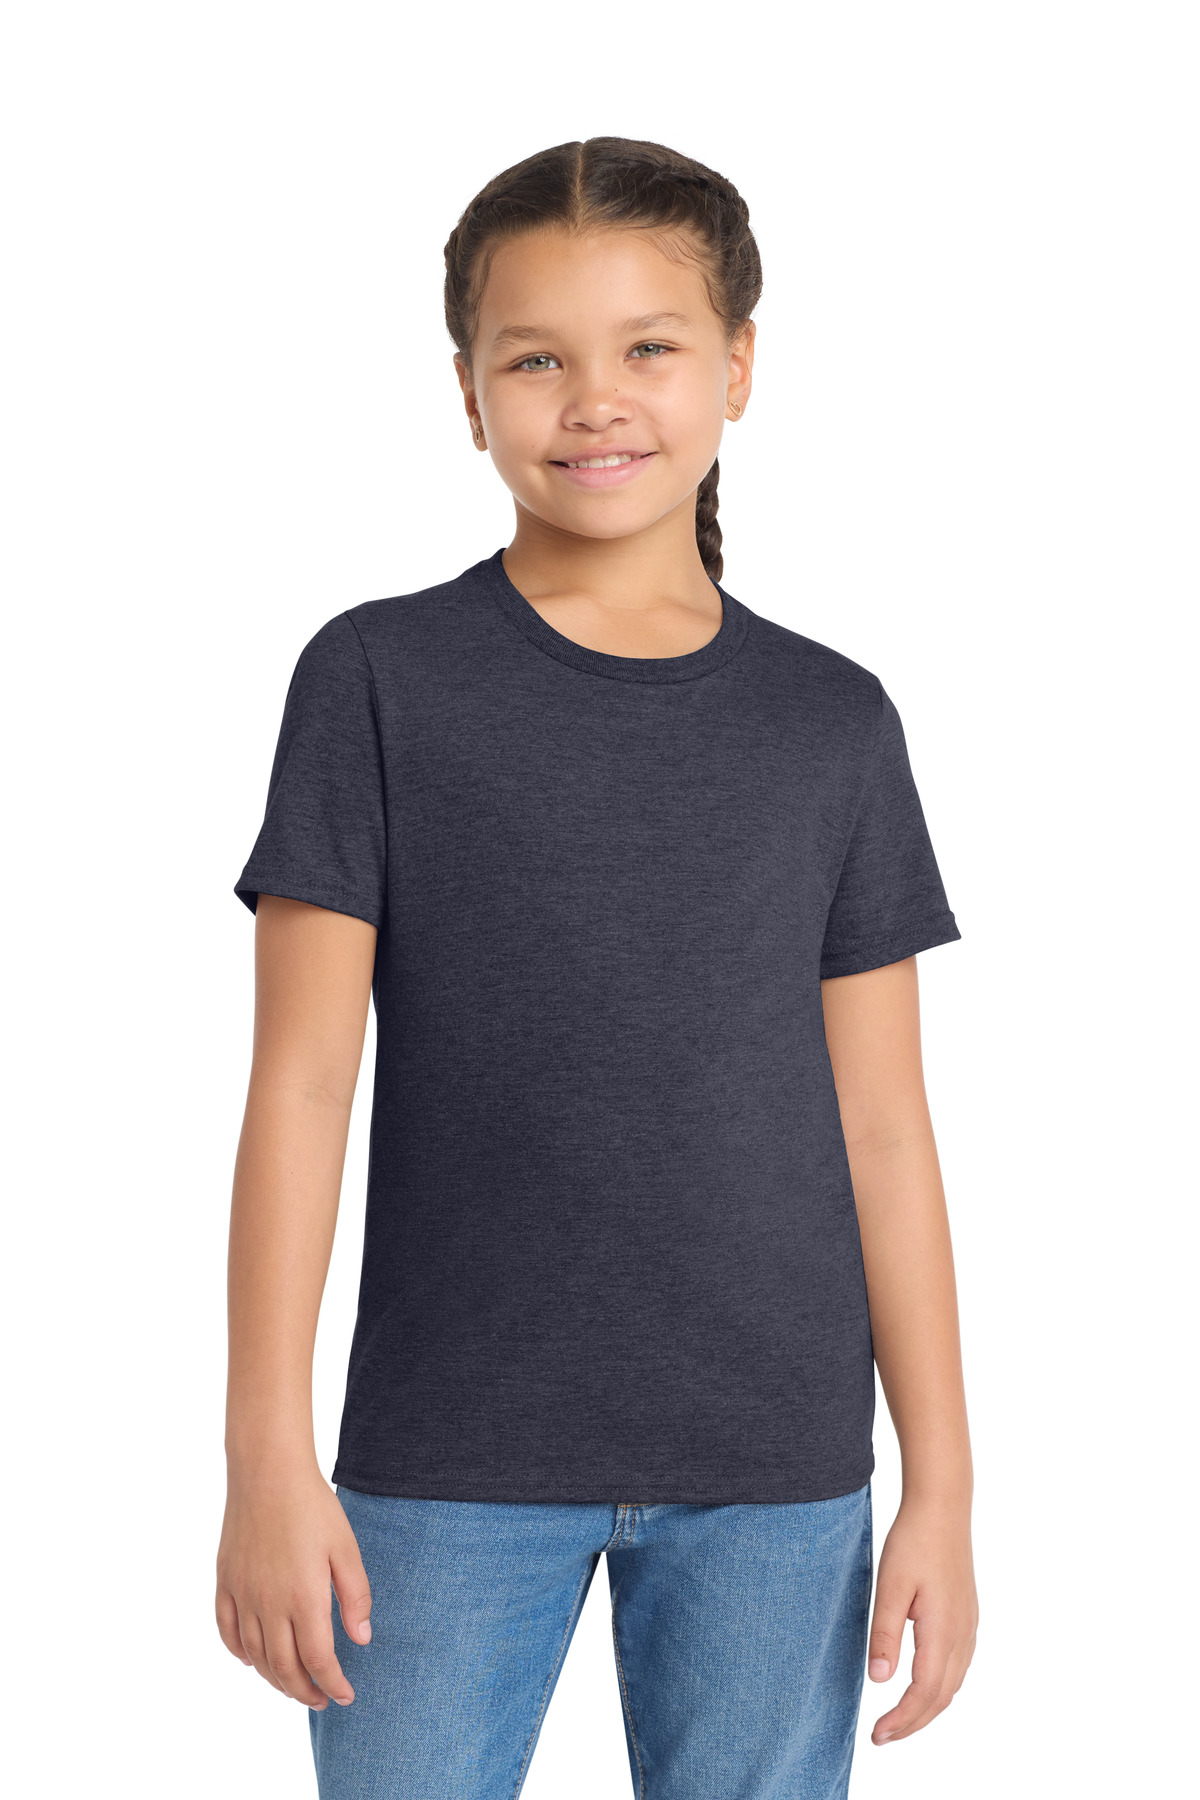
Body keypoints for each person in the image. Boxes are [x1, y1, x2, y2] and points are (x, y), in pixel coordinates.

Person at [216, 136, 979, 1800]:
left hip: (776, 1470)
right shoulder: (376, 680)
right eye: (536, 359)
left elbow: (884, 1133)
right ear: (468, 392)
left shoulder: (833, 721)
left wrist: (944, 1482)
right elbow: (302, 1087)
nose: (595, 401)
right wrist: (265, 1454)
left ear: (738, 369)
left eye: (649, 346)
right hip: (443, 1458)